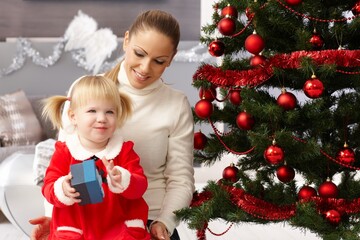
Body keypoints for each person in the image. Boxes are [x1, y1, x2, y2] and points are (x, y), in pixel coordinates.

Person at [29, 9, 195, 240]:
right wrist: (54, 216)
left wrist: (164, 222)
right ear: (126, 41)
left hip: (145, 219)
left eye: (159, 61)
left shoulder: (176, 105)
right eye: (139, 53)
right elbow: (63, 166)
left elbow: (181, 179)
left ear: (171, 58)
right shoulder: (87, 90)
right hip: (84, 218)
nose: (145, 68)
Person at [41, 75, 150, 240]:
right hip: (75, 230)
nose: (102, 119)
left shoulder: (124, 150)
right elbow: (48, 187)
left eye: (109, 112)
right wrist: (63, 188)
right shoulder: (65, 151)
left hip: (119, 230)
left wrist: (124, 179)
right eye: (92, 111)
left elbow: (141, 185)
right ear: (73, 116)